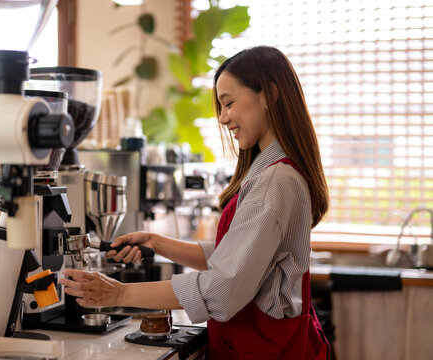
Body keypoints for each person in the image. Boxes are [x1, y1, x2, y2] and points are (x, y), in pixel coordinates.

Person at [59, 46, 331, 359]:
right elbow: (240, 256)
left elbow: (224, 288)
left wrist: (118, 292)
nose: (224, 117)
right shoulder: (276, 172)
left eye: (228, 103)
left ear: (269, 94)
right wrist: (156, 242)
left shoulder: (274, 181)